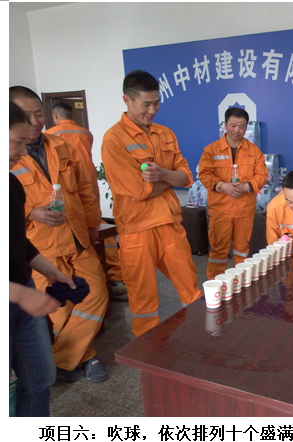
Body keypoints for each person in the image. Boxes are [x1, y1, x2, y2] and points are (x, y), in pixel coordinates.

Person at [9, 86, 110, 383]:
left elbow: (86, 186)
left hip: (76, 235)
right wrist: (31, 212)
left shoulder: (62, 145)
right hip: (41, 244)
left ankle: (61, 360)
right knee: (58, 306)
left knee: (96, 293)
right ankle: (85, 355)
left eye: (38, 114)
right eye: (26, 116)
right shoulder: (11, 153)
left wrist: (93, 224)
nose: (35, 122)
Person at [101, 70, 202, 337]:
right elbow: (137, 190)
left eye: (156, 103)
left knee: (191, 288)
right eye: (146, 104)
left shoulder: (164, 133)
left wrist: (163, 175)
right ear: (127, 100)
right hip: (137, 231)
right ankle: (147, 351)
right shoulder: (114, 139)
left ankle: (204, 338)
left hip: (169, 224)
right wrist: (170, 179)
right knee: (143, 300)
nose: (152, 110)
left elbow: (186, 177)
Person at [9, 101, 77, 416]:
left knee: (39, 378)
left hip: (21, 294)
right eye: (17, 142)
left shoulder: (10, 185)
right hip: (16, 294)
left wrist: (51, 271)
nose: (23, 152)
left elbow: (16, 241)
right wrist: (20, 294)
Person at [45, 101, 128, 302]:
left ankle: (83, 280)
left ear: (55, 116)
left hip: (68, 192)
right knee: (97, 229)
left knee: (81, 238)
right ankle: (114, 277)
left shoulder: (50, 136)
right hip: (89, 186)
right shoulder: (86, 133)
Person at [199, 107, 268, 279]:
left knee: (242, 250)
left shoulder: (254, 151)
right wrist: (222, 186)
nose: (237, 130)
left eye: (241, 126)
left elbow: (262, 175)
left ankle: (241, 284)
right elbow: (205, 175)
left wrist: (246, 186)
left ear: (246, 127)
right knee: (218, 251)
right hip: (220, 210)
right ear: (225, 124)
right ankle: (216, 284)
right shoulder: (211, 150)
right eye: (233, 125)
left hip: (245, 210)